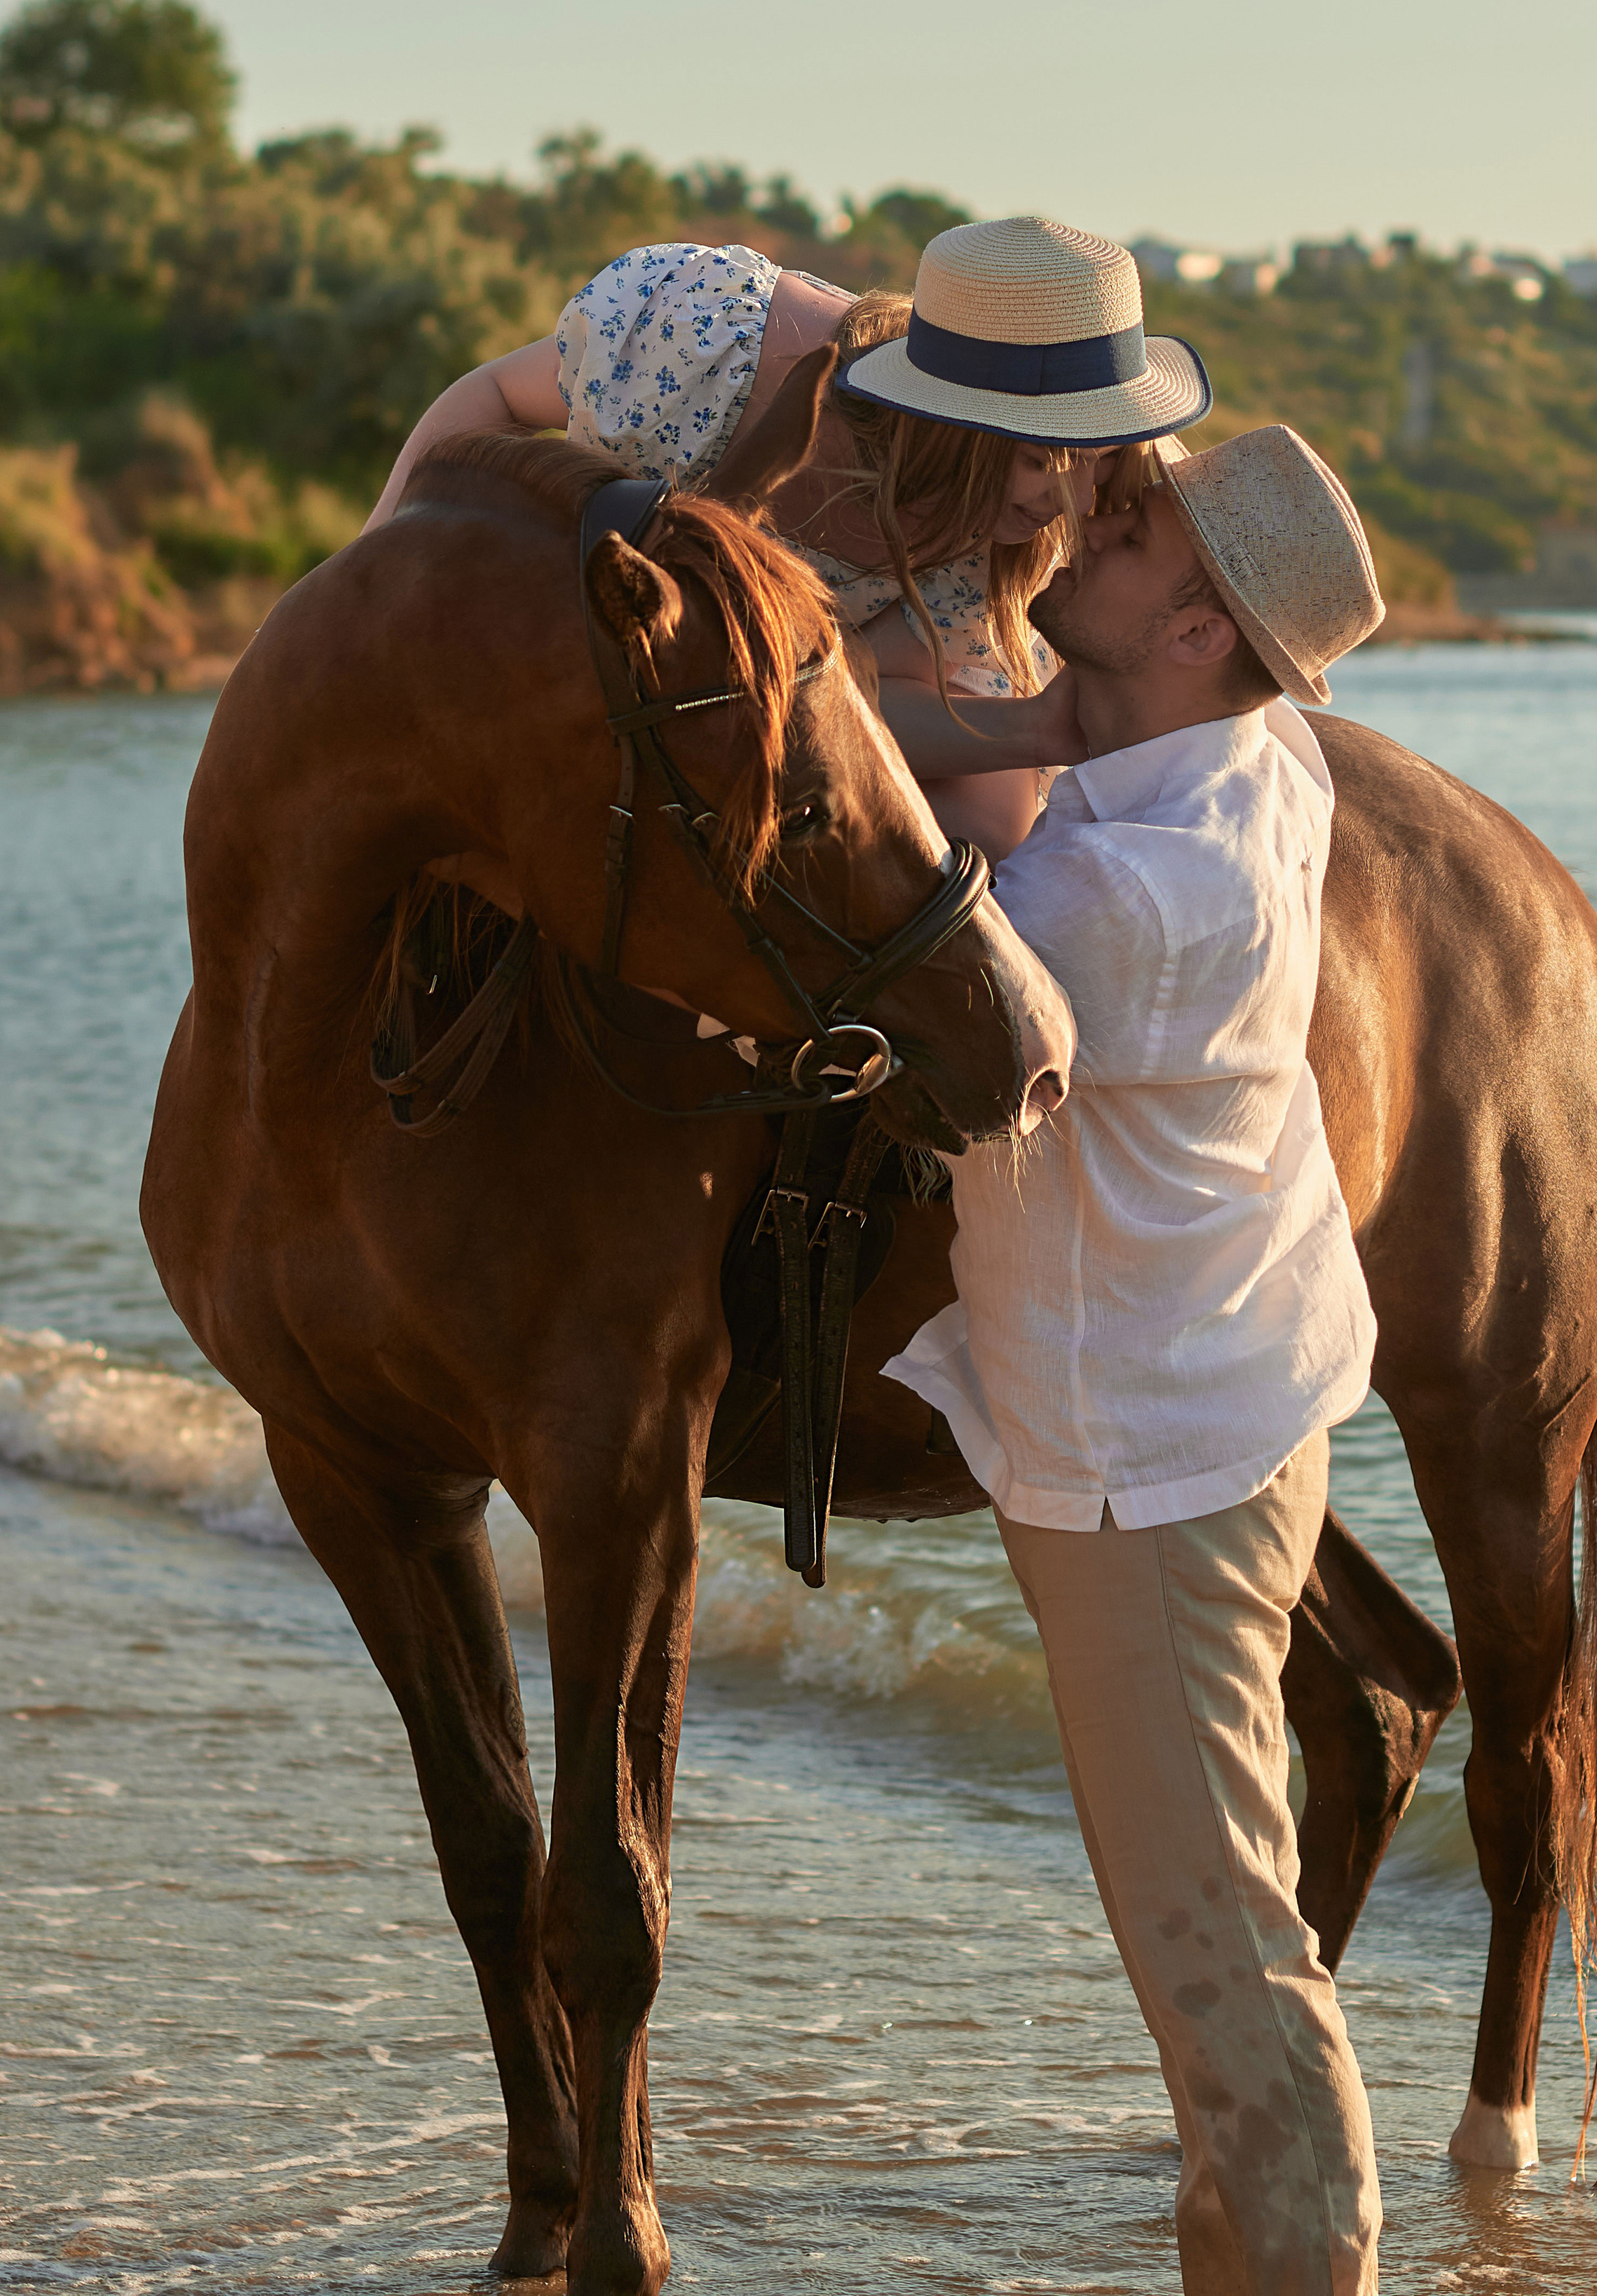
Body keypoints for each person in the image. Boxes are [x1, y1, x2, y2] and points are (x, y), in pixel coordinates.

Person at [887, 428, 1388, 2295]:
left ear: (1188, 625)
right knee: (1213, 1960)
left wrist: (937, 596)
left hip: (1155, 1472)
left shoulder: (1136, 898)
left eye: (1123, 516)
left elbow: (885, 922)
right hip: (1225, 1397)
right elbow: (1021, 745)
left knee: (1222, 1960)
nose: (1078, 513)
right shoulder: (1231, 750)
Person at [365, 219, 1211, 858]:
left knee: (991, 824)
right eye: (1037, 461)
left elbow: (879, 697)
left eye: (1093, 462)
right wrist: (366, 583)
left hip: (740, 696)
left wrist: (1039, 729)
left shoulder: (990, 530)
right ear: (955, 429)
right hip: (579, 618)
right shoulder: (711, 344)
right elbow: (497, 400)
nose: (1069, 503)